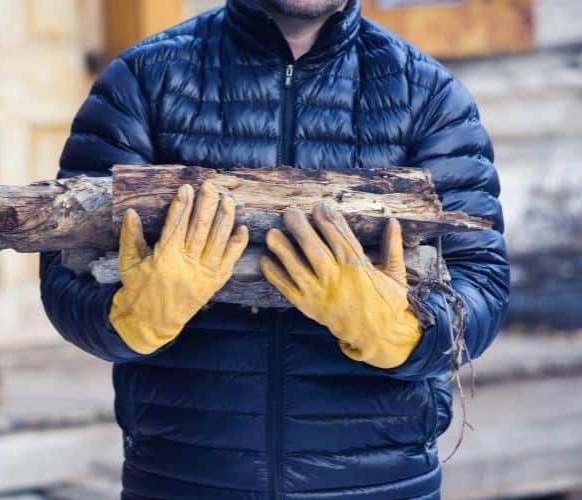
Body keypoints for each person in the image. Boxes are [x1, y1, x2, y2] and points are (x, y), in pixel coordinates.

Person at [39, 0, 510, 498]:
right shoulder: (144, 81)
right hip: (184, 478)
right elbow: (64, 275)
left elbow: (481, 282)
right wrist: (133, 316)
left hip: (380, 481)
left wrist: (400, 330)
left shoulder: (428, 96)